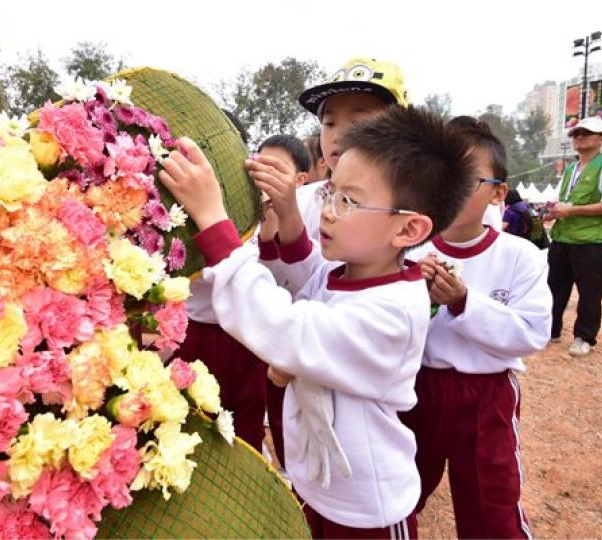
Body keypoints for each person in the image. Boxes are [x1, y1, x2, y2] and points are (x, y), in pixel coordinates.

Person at [159, 106, 475, 538]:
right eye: (330, 193)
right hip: (322, 488)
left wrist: (215, 222)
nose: (326, 211)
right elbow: (306, 286)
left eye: (349, 200)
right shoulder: (348, 271)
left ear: (408, 230)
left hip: (370, 511)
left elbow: (286, 326)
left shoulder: (395, 310)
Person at [247, 56, 410, 469]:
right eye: (329, 122)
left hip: (356, 393)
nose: (340, 135)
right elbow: (297, 284)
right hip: (295, 370)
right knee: (300, 468)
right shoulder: (303, 198)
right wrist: (281, 218)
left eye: (360, 120)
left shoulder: (405, 215)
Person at [400, 117, 551, 539]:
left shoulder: (520, 256)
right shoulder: (411, 250)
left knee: (490, 500)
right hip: (418, 389)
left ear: (497, 192)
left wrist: (463, 301)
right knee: (401, 488)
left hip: (486, 395)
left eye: (465, 178)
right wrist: (422, 301)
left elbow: (532, 332)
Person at [175, 134, 314, 451]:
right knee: (188, 420)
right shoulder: (217, 204)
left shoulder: (294, 226)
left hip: (249, 342)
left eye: (275, 168)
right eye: (258, 163)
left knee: (244, 426)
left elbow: (280, 281)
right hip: (197, 335)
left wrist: (269, 232)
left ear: (300, 179)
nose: (262, 175)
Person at [547, 116, 602, 356]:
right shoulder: (571, 168)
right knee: (554, 288)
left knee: (589, 293)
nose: (579, 137)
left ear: (601, 138)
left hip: (591, 241)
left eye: (586, 133)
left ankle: (584, 337)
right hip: (563, 237)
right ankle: (550, 330)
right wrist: (555, 212)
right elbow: (568, 201)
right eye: (576, 133)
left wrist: (570, 210)